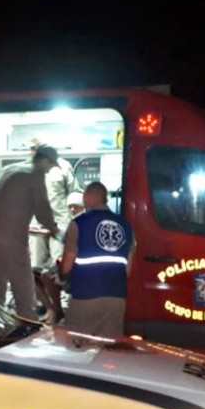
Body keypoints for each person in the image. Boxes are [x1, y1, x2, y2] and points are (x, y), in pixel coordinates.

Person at [0, 144, 61, 320]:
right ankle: (27, 331)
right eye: (50, 166)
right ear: (44, 160)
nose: (49, 170)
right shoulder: (35, 175)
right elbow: (43, 213)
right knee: (24, 291)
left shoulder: (9, 169)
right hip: (11, 241)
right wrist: (57, 231)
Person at [60, 181, 134, 338]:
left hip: (85, 295)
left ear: (87, 197)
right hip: (116, 297)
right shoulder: (126, 225)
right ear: (105, 199)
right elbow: (128, 268)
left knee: (78, 343)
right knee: (108, 346)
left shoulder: (78, 223)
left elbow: (67, 264)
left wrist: (61, 275)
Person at [34, 191, 85, 324]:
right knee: (32, 274)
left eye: (76, 206)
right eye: (71, 207)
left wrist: (63, 264)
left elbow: (73, 248)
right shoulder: (74, 223)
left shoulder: (81, 223)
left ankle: (56, 310)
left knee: (48, 275)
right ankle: (53, 309)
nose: (73, 209)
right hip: (66, 263)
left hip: (75, 269)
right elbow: (64, 238)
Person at [28, 140, 79, 272]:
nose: (31, 152)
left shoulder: (64, 166)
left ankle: (58, 292)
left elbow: (74, 192)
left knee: (58, 263)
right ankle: (38, 292)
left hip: (59, 223)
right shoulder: (28, 169)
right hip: (36, 224)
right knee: (36, 265)